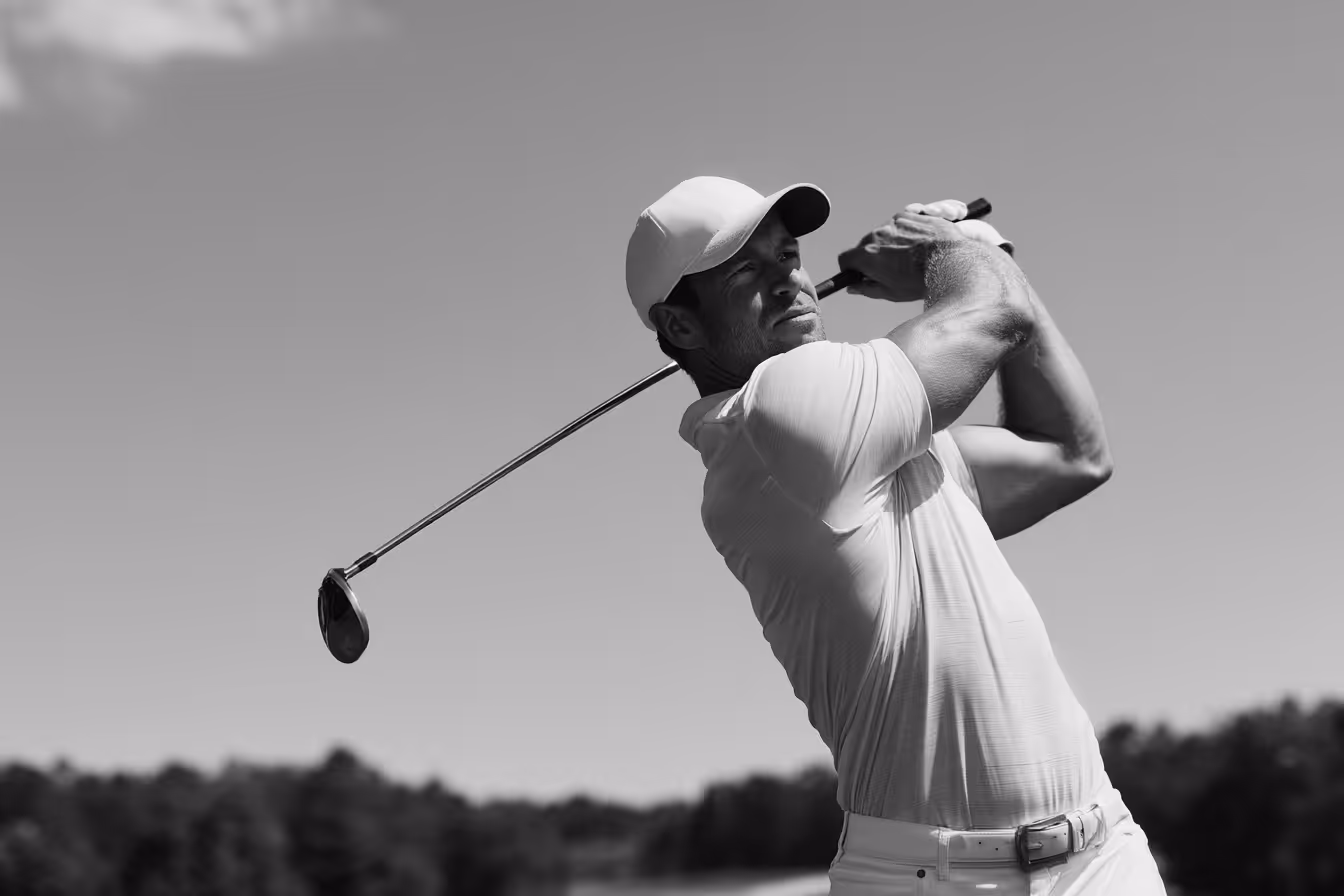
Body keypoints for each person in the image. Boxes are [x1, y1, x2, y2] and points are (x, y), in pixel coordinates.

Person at [623, 176, 1168, 895]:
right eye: (748, 272)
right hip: (931, 879)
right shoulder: (779, 416)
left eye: (788, 255)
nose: (790, 280)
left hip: (1104, 856)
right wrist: (948, 252)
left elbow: (1073, 453)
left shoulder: (872, 445)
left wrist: (986, 255)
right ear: (682, 327)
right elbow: (994, 312)